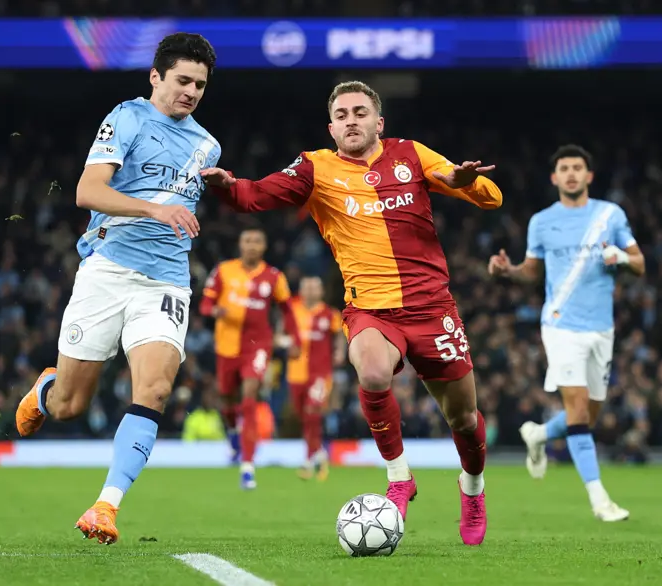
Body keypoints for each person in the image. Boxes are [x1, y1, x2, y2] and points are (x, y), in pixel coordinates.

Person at [201, 80, 502, 545]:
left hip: (432, 307)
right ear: (331, 128)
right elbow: (254, 195)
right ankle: (399, 477)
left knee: (463, 419)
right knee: (373, 371)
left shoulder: (411, 154)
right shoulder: (315, 167)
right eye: (341, 115)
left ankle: (473, 487)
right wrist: (227, 186)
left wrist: (466, 182)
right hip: (370, 309)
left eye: (360, 112)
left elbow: (490, 196)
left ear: (379, 122)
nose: (351, 121)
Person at [14, 33, 220, 544]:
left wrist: (225, 187)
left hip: (166, 280)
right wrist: (155, 209)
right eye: (182, 80)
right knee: (69, 406)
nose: (191, 92)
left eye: (200, 84)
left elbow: (188, 203)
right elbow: (87, 191)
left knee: (155, 390)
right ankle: (47, 389)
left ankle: (106, 506)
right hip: (107, 272)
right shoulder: (126, 117)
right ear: (156, 76)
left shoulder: (207, 145)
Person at [488, 144, 644, 522]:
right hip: (560, 326)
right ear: (554, 177)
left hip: (601, 328)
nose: (571, 174)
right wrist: (508, 271)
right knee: (577, 410)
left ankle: (539, 435)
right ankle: (600, 500)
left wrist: (621, 257)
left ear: (589, 176)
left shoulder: (610, 215)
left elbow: (640, 264)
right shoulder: (542, 222)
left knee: (587, 416)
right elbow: (531, 271)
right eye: (564, 168)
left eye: (577, 167)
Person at [199, 228, 299, 490]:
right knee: (226, 397)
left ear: (264, 246)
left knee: (249, 397)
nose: (252, 245)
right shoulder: (223, 271)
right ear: (240, 244)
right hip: (227, 346)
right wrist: (215, 310)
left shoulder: (274, 276)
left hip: (257, 346)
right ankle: (233, 433)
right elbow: (204, 304)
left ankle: (247, 466)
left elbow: (288, 311)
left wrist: (295, 340)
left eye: (257, 241)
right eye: (247, 241)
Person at [286, 275, 346, 481]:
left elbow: (339, 336)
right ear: (301, 290)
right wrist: (286, 344)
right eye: (307, 287)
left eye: (314, 288)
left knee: (313, 412)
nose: (311, 291)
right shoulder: (292, 310)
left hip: (320, 373)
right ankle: (320, 453)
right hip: (295, 372)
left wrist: (340, 352)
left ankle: (308, 459)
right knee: (302, 415)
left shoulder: (330, 314)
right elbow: (280, 335)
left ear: (321, 291)